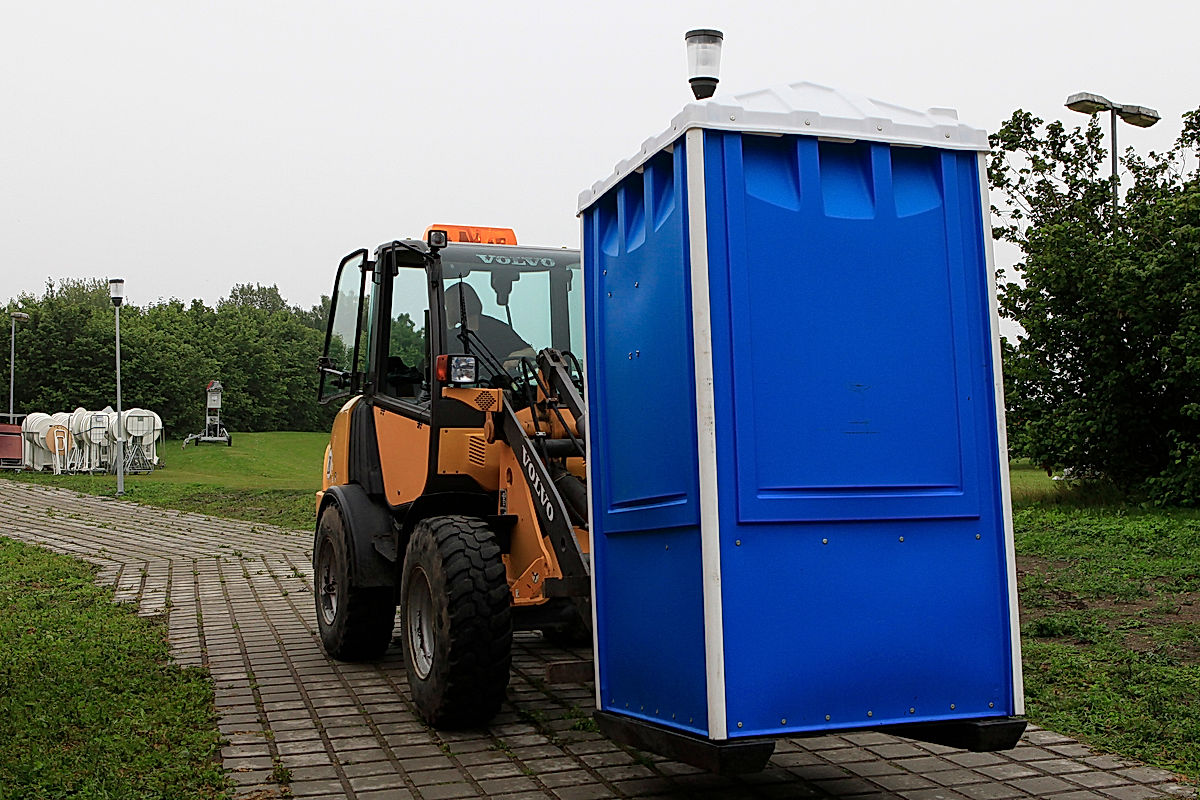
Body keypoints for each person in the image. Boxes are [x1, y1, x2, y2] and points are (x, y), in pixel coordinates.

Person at [444, 281, 536, 376]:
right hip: (464, 389)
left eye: (448, 307)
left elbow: (531, 353)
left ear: (457, 307)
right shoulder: (450, 338)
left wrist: (513, 359)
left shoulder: (495, 329)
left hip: (502, 387)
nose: (446, 312)